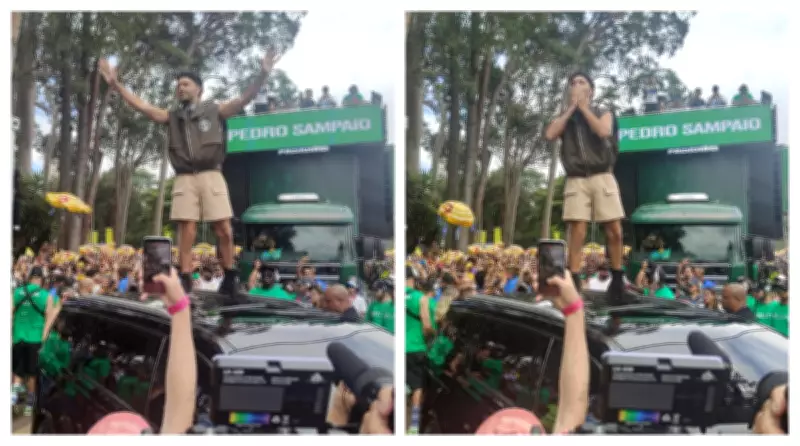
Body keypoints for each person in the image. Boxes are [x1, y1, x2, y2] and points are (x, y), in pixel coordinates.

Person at [97, 48, 281, 300]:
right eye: (178, 85)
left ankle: (229, 277)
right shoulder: (171, 116)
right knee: (187, 231)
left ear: (199, 89)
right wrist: (116, 85)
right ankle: (184, 278)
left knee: (224, 229)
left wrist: (262, 75)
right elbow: (143, 106)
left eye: (185, 84)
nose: (180, 88)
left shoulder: (215, 110)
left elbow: (243, 100)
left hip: (211, 173)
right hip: (185, 176)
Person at [545, 72, 625, 302]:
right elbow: (550, 134)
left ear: (591, 90)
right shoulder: (565, 118)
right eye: (573, 83)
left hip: (602, 174)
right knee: (577, 230)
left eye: (581, 82)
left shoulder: (603, 111)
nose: (576, 86)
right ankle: (575, 278)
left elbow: (603, 131)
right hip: (576, 177)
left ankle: (618, 278)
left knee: (615, 230)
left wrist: (584, 108)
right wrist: (571, 110)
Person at [12, 267, 59, 415]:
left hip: (17, 337)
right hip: (35, 339)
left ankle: (13, 400)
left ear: (29, 277)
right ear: (41, 279)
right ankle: (29, 405)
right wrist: (43, 339)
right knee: (32, 374)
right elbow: (49, 320)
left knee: (17, 371)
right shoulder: (47, 296)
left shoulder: (16, 292)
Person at [405, 272, 434, 434]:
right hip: (416, 347)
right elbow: (427, 324)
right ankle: (414, 424)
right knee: (417, 387)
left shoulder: (394, 296)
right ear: (412, 280)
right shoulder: (421, 298)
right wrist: (431, 334)